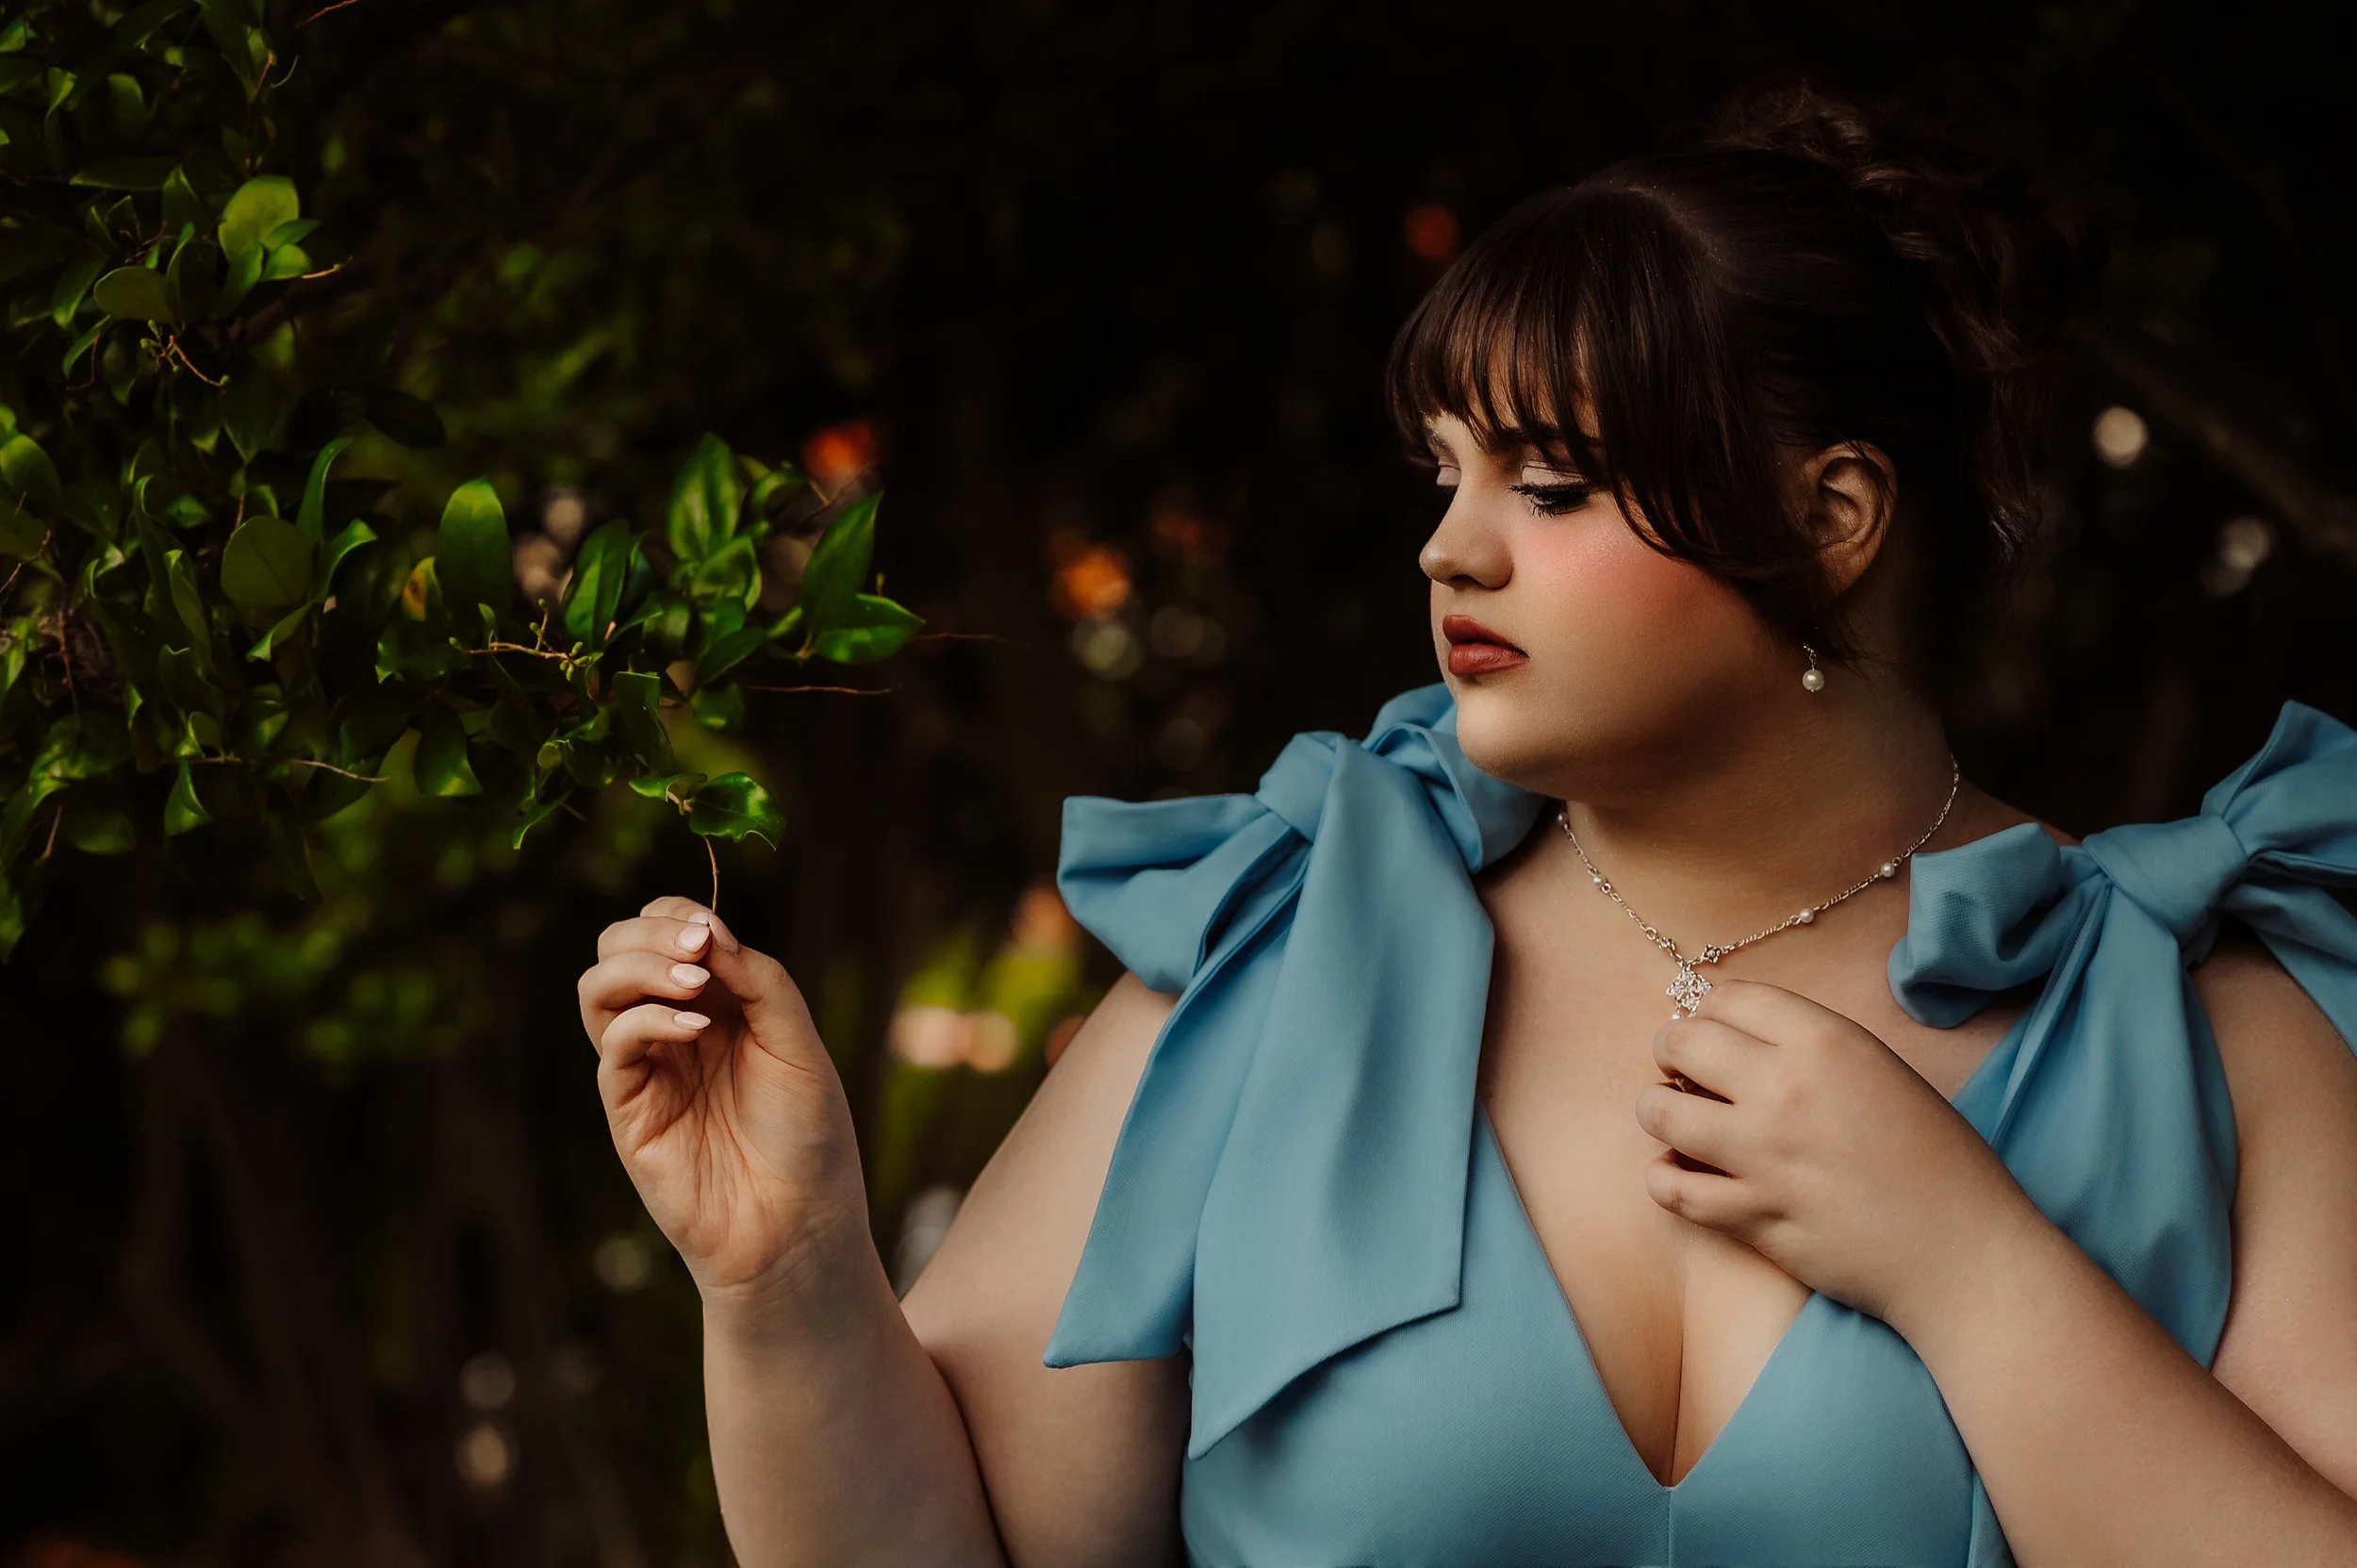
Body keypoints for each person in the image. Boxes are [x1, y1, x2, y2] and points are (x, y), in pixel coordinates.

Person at [573, 85, 2357, 1567]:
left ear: (1832, 519)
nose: (1452, 550)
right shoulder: (1288, 950)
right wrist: (788, 1272)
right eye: (1450, 475)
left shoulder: (2223, 1027)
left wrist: (1975, 1271)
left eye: (1552, 483)